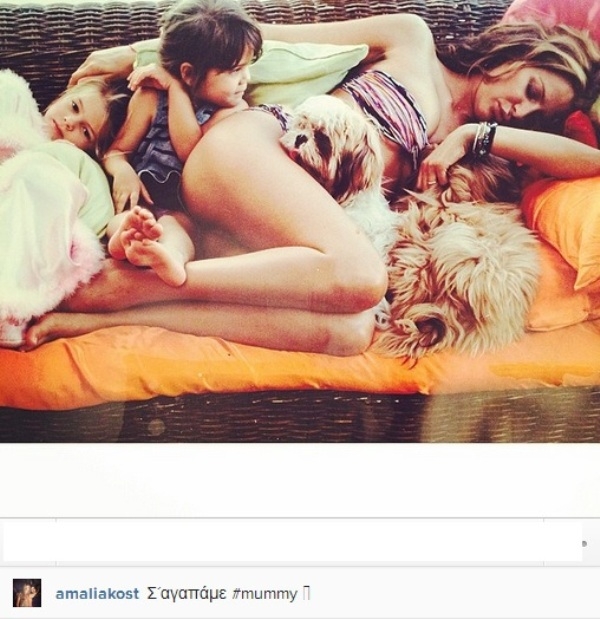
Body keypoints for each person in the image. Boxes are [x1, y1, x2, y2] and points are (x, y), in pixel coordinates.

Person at [24, 13, 600, 355]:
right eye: (531, 89)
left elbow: (589, 162)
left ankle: (100, 314)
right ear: (518, 54)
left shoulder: (477, 142)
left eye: (537, 115)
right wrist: (134, 53)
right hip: (249, 150)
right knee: (362, 278)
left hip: (263, 230)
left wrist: (481, 135)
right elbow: (265, 35)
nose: (522, 110)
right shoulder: (412, 39)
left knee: (352, 330)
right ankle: (136, 287)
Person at [104, 0, 262, 286]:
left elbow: (191, 153)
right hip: (142, 202)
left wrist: (175, 88)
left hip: (183, 211)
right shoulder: (150, 98)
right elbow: (116, 151)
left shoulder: (232, 112)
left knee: (178, 231)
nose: (246, 79)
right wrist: (123, 170)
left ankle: (170, 258)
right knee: (124, 220)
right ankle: (124, 241)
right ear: (188, 73)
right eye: (235, 70)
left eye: (247, 67)